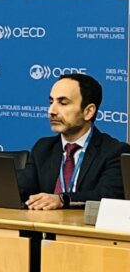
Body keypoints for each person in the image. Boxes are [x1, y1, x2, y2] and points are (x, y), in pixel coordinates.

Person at [18, 73, 130, 210]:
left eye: (63, 103)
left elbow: (107, 196)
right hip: (43, 222)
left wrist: (63, 199)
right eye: (51, 102)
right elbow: (22, 188)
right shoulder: (43, 148)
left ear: (88, 111)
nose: (51, 111)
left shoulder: (114, 152)